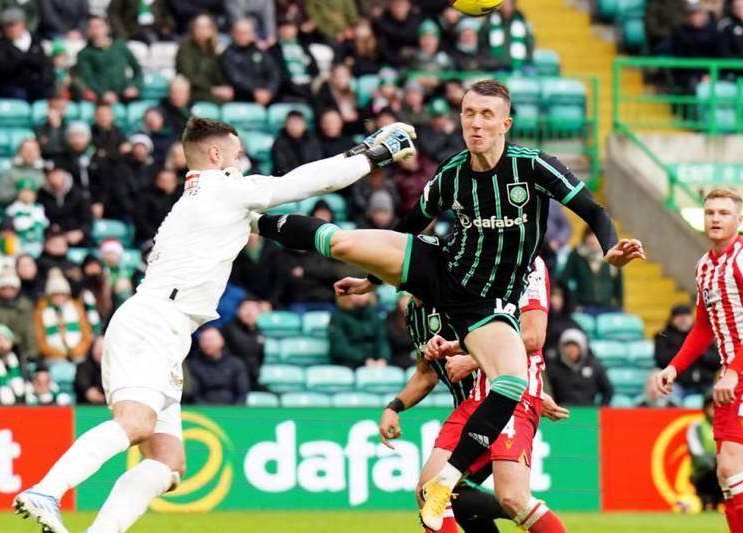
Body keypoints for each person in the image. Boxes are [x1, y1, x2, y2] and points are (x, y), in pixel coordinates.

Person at [253, 79, 644, 530]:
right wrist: (372, 276)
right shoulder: (452, 173)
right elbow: (412, 224)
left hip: (484, 304)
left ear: (505, 123)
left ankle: (449, 480)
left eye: (486, 115)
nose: (475, 123)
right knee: (340, 241)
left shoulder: (533, 167)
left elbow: (593, 211)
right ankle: (252, 218)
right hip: (439, 267)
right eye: (468, 113)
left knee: (512, 380)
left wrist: (610, 247)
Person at [13, 116, 416, 532]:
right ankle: (47, 489)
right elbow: (310, 182)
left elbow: (278, 224)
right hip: (154, 322)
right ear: (217, 154)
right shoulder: (225, 188)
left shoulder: (207, 199)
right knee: (135, 424)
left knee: (168, 463)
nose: (242, 161)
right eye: (237, 154)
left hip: (164, 328)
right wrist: (373, 155)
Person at [382, 256, 569, 532]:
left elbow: (532, 337)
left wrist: (468, 357)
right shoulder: (477, 262)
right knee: (428, 490)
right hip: (477, 397)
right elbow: (429, 370)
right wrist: (395, 405)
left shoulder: (529, 264)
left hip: (510, 392)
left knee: (512, 498)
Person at [656, 187, 743, 532]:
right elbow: (703, 329)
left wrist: (735, 371)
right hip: (731, 377)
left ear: (738, 218)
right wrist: (674, 367)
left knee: (731, 467)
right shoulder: (704, 266)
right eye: (710, 213)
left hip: (736, 374)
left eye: (724, 213)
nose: (716, 219)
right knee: (727, 473)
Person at [655, 304, 720, 400]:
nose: (683, 319)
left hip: (705, 383)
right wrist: (688, 351)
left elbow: (717, 361)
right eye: (679, 317)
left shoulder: (703, 335)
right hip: (677, 384)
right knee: (667, 397)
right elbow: (661, 359)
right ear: (672, 319)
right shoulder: (664, 336)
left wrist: (699, 352)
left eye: (687, 316)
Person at [74, 15, 142, 104]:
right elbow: (88, 78)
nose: (96, 30)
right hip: (101, 100)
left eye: (99, 26)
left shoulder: (120, 46)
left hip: (125, 95)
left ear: (107, 28)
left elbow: (137, 70)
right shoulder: (84, 54)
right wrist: (102, 93)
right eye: (92, 27)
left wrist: (134, 86)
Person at [0, 7, 53, 101]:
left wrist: (22, 59)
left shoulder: (35, 40)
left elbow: (43, 63)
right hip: (13, 86)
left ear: (22, 24)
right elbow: (1, 68)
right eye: (8, 25)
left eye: (14, 25)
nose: (11, 29)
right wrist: (26, 58)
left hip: (36, 85)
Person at [33, 268, 93, 362]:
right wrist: (59, 353)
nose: (58, 298)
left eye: (62, 294)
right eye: (55, 295)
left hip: (78, 354)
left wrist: (77, 351)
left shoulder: (77, 308)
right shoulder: (41, 312)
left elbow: (86, 335)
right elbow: (40, 341)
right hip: (53, 357)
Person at [560, 228, 624, 313]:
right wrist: (572, 303)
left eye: (597, 237)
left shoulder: (612, 256)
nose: (593, 240)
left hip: (607, 307)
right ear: (585, 237)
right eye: (590, 236)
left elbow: (618, 285)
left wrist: (620, 306)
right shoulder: (577, 254)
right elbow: (564, 279)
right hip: (583, 307)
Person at [175, 13, 234, 104]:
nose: (202, 30)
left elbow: (218, 75)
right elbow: (189, 75)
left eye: (206, 27)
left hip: (209, 90)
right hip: (192, 91)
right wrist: (212, 89)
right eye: (198, 27)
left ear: (212, 30)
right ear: (193, 29)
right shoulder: (185, 48)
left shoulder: (213, 50)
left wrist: (225, 88)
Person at [221, 18, 281, 106]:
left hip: (267, 98)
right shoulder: (228, 54)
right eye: (239, 32)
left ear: (253, 34)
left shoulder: (261, 52)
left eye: (246, 32)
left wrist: (270, 91)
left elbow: (274, 74)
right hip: (241, 99)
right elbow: (235, 78)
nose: (242, 35)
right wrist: (255, 91)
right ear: (232, 34)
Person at [547, 328, 614, 406]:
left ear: (582, 347)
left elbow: (608, 390)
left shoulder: (594, 366)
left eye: (575, 346)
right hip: (562, 411)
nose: (571, 350)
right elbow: (547, 391)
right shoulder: (553, 368)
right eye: (568, 346)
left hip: (588, 411)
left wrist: (600, 409)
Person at [187, 327, 249, 405]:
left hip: (232, 411)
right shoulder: (193, 365)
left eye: (210, 340)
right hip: (203, 412)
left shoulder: (236, 364)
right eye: (203, 340)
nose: (207, 344)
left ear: (221, 341)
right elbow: (195, 395)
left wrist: (233, 412)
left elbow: (242, 394)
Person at [329, 291, 390, 369]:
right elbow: (340, 347)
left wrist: (383, 358)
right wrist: (364, 359)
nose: (361, 296)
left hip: (373, 361)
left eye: (364, 292)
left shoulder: (374, 314)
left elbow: (382, 340)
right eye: (356, 293)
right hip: (348, 362)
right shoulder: (337, 316)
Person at [38, 167, 93, 247]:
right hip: (52, 239)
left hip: (78, 237)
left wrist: (81, 232)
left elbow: (88, 219)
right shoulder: (42, 195)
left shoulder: (77, 193)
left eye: (57, 173)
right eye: (51, 174)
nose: (54, 178)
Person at [269, 14, 318, 102]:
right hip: (289, 90)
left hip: (309, 87)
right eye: (285, 28)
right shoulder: (274, 50)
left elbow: (314, 69)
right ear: (279, 30)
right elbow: (278, 74)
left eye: (291, 27)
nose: (288, 31)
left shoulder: (304, 47)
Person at [687, 395, 724, 510]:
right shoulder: (697, 426)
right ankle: (708, 501)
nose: (715, 410)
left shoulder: (729, 427)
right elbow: (696, 452)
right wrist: (715, 460)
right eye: (711, 407)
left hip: (724, 471)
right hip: (703, 472)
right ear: (705, 409)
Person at [221, 298, 266, 390]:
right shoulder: (228, 330)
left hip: (252, 379)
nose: (250, 313)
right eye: (246, 309)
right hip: (230, 380)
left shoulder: (260, 333)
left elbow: (261, 357)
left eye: (253, 310)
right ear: (237, 311)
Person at [477, 0, 534, 72]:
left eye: (508, 5)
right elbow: (482, 45)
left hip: (519, 66)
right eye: (503, 6)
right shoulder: (489, 24)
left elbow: (529, 44)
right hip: (495, 67)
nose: (506, 9)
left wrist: (527, 61)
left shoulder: (522, 23)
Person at [134, 168, 180, 244]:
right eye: (164, 181)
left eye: (170, 181)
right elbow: (140, 220)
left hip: (174, 238)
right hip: (149, 238)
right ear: (157, 181)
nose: (167, 184)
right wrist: (157, 235)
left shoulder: (181, 198)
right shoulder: (145, 196)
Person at [0, 138, 46, 206]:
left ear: (39, 152)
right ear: (19, 152)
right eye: (26, 150)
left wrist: (35, 196)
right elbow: (0, 196)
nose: (30, 153)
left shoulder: (45, 171)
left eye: (33, 150)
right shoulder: (9, 171)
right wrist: (18, 194)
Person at [271, 110, 323, 176]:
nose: (294, 127)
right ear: (286, 125)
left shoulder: (312, 141)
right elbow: (281, 167)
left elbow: (317, 163)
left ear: (304, 125)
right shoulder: (279, 142)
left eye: (297, 123)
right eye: (291, 123)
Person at [107, 0, 175, 44]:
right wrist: (122, 33)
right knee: (149, 38)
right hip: (133, 31)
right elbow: (113, 12)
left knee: (174, 42)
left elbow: (166, 13)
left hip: (156, 29)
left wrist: (167, 25)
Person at [6, 178, 49, 245]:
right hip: (18, 241)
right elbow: (8, 226)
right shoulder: (12, 209)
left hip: (37, 241)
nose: (26, 195)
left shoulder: (39, 208)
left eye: (30, 192)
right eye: (24, 191)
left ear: (35, 195)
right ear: (18, 193)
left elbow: (43, 224)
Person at [76, 335, 106, 405]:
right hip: (85, 406)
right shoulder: (83, 366)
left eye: (103, 348)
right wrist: (88, 390)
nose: (100, 351)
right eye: (97, 347)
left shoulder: (116, 369)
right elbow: (83, 382)